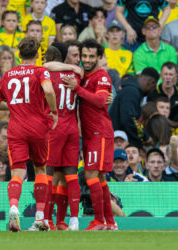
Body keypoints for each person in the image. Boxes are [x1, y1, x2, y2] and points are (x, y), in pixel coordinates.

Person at [0, 37, 58, 232]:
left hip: (17, 129)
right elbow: (48, 90)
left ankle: (13, 208)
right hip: (38, 128)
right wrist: (53, 111)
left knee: (18, 173)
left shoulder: (8, 75)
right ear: (38, 54)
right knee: (40, 170)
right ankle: (39, 217)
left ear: (19, 55)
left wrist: (14, 104)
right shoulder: (40, 71)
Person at [61, 39, 116, 230]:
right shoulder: (85, 76)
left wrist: (76, 88)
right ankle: (110, 222)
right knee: (99, 178)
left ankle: (98, 220)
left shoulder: (101, 76)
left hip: (98, 133)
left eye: (91, 56)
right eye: (84, 55)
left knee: (91, 174)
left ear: (99, 57)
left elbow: (101, 101)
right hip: (90, 133)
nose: (87, 59)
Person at [41, 45, 81, 231]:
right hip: (72, 127)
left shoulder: (46, 74)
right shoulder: (77, 75)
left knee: (47, 175)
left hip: (54, 127)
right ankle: (71, 220)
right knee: (70, 175)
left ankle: (47, 220)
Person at [109, 67, 160, 149]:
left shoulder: (132, 91)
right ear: (151, 82)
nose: (151, 91)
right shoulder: (132, 92)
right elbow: (129, 119)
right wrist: (145, 137)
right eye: (153, 87)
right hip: (118, 143)